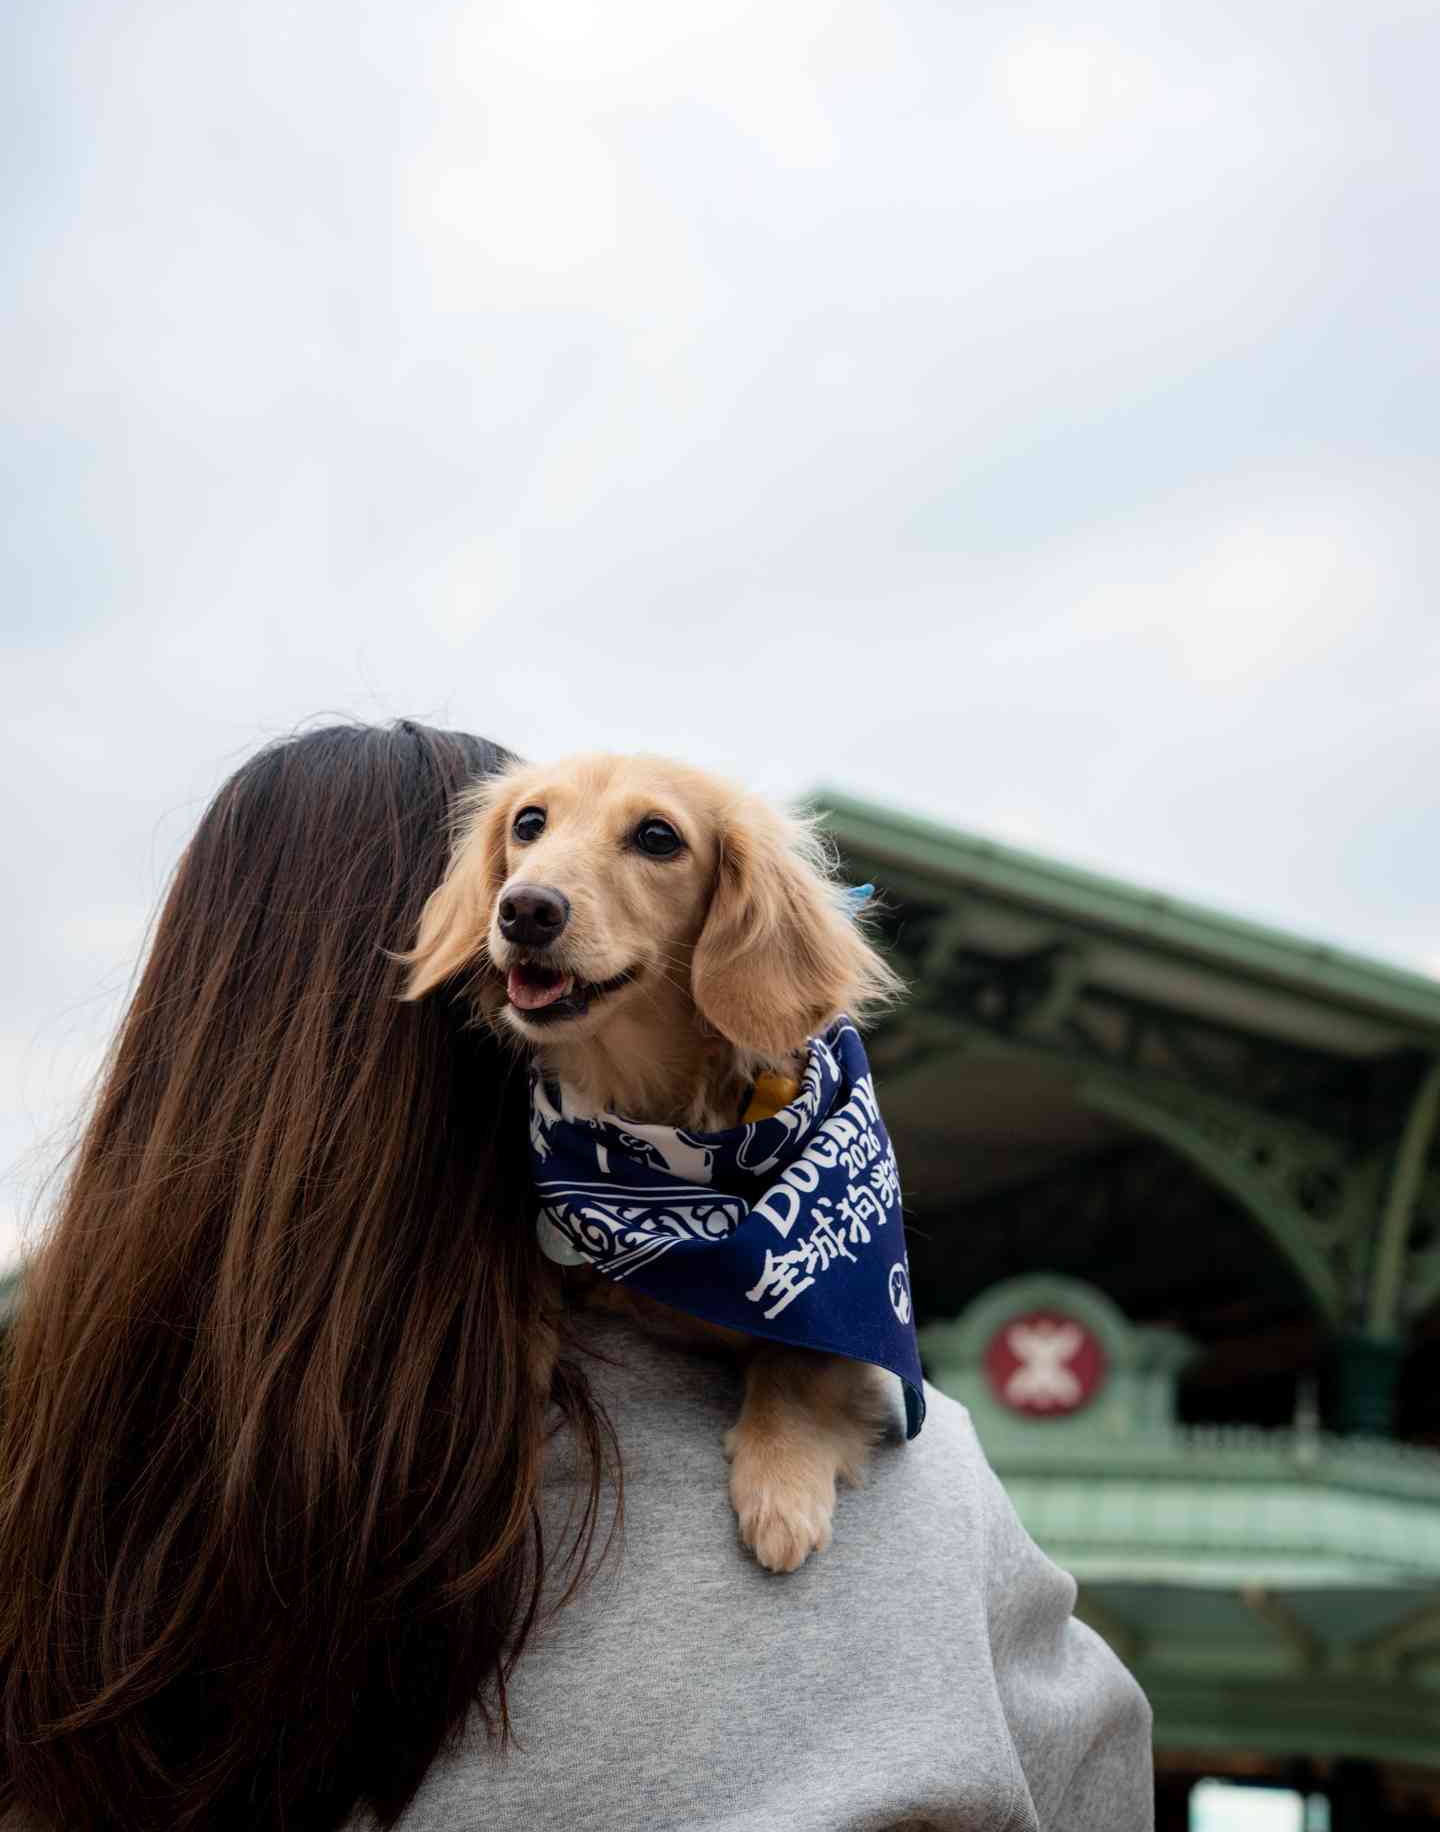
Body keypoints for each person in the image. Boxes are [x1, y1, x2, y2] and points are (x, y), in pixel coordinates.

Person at [0, 722, 1152, 1832]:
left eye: (647, 841)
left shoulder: (52, 1462)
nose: (533, 887)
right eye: (526, 833)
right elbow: (1099, 1776)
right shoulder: (928, 1491)